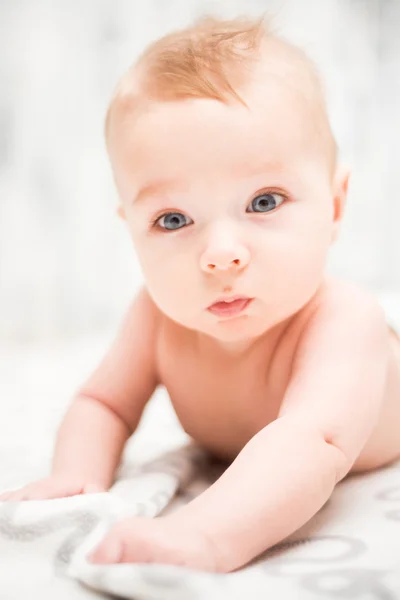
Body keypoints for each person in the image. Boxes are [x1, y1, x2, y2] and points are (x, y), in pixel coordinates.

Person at [1, 15, 400, 574]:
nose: (220, 254)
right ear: (131, 228)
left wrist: (207, 534)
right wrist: (76, 475)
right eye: (173, 218)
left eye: (264, 202)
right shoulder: (157, 317)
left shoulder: (344, 320)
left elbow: (313, 442)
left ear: (334, 207)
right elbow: (104, 403)